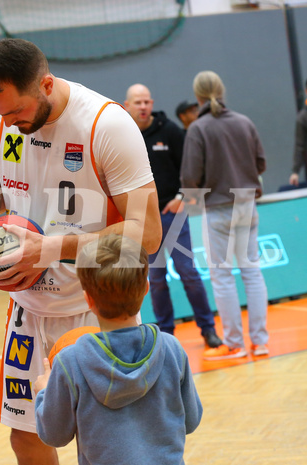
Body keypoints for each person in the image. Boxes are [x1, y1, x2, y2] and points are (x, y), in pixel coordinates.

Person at [0, 38, 161, 465]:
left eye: (16, 112)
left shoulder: (107, 125)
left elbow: (147, 234)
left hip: (99, 307)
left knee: (109, 443)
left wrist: (53, 247)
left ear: (46, 85)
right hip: (28, 309)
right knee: (27, 437)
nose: (8, 123)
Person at [34, 234, 202, 464]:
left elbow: (54, 435)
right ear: (145, 289)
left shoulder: (70, 361)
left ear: (88, 299)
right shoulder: (171, 348)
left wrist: (44, 392)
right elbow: (191, 421)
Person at [124, 84, 222, 349]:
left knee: (188, 272)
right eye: (137, 102)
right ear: (127, 106)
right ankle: (166, 336)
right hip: (143, 220)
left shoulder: (171, 132)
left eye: (146, 101)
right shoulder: (123, 135)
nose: (143, 107)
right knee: (155, 279)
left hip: (173, 214)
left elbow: (190, 170)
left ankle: (208, 328)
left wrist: (182, 197)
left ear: (152, 103)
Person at [181, 70, 269, 361]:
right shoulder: (244, 122)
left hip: (217, 207)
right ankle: (260, 342)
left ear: (198, 97)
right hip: (247, 204)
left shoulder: (199, 128)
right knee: (252, 272)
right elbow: (260, 163)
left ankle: (234, 344)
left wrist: (198, 188)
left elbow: (190, 176)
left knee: (222, 277)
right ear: (222, 90)